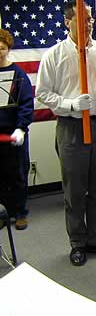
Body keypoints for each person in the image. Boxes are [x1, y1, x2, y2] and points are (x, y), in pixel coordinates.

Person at [36, 0, 96, 266]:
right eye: (83, 19)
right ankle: (77, 242)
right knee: (75, 189)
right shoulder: (55, 54)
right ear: (67, 22)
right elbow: (42, 93)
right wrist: (70, 104)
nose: (89, 23)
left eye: (90, 18)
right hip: (72, 127)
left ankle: (95, 238)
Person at [0, 29, 33, 230]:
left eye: (2, 48)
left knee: (18, 172)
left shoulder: (18, 75)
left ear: (8, 49)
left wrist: (21, 127)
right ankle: (3, 212)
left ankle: (20, 212)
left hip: (14, 133)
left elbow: (26, 103)